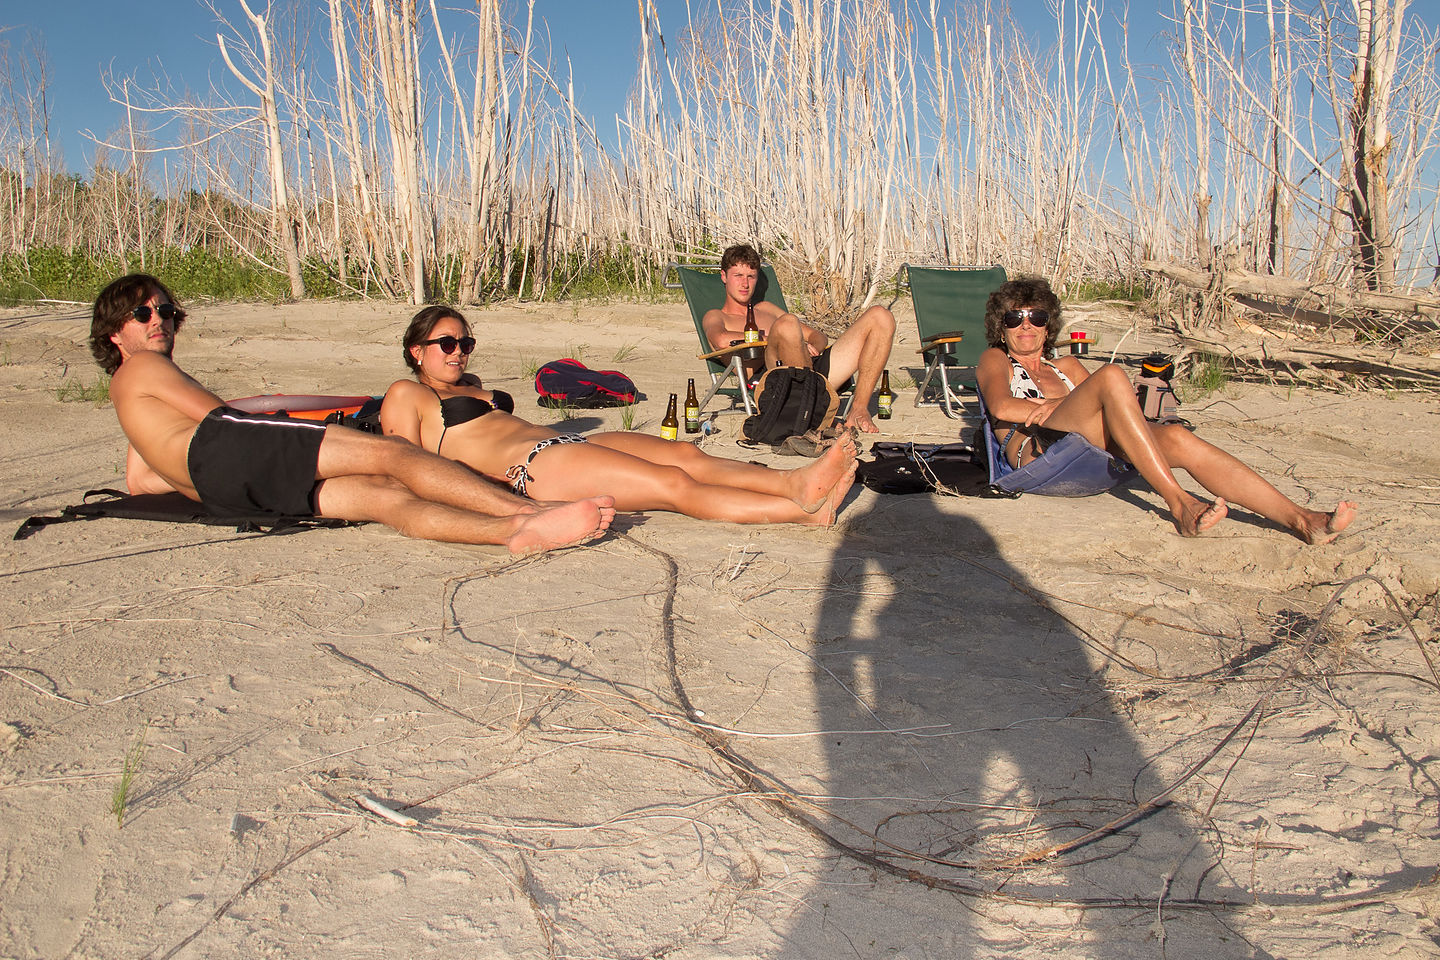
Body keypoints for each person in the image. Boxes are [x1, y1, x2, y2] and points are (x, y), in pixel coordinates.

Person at [90, 274, 615, 555]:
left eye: (164, 310)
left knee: (384, 500)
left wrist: (202, 482)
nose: (159, 319)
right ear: (116, 333)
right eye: (143, 313)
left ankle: (509, 536)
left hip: (218, 489)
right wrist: (300, 423)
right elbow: (223, 421)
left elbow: (140, 482)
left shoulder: (130, 392)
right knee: (391, 455)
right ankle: (524, 514)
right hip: (231, 452)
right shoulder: (144, 368)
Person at [379, 306, 858, 525]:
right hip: (533, 467)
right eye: (446, 344)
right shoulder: (407, 394)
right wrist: (494, 500)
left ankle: (793, 482)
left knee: (684, 454)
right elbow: (406, 469)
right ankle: (795, 508)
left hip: (561, 447)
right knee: (671, 485)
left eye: (465, 343)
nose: (458, 352)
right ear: (416, 351)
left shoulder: (473, 388)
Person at [975, 277, 1356, 542]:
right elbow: (1001, 405)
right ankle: (1180, 504)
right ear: (1002, 327)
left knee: (1176, 436)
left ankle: (1303, 521)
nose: (1026, 326)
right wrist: (1050, 408)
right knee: (1110, 376)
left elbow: (1102, 412)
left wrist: (1055, 405)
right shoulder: (997, 359)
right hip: (1040, 455)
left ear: (1048, 325)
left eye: (1036, 317)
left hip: (1088, 446)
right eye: (1014, 318)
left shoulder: (1068, 367)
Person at [701, 243, 896, 433]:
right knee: (787, 324)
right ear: (724, 277)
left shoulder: (766, 309)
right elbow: (720, 340)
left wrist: (811, 347)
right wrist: (774, 339)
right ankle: (814, 411)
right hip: (775, 382)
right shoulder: (717, 316)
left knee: (881, 316)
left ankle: (858, 409)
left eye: (751, 276)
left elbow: (817, 336)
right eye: (738, 276)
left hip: (813, 370)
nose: (745, 283)